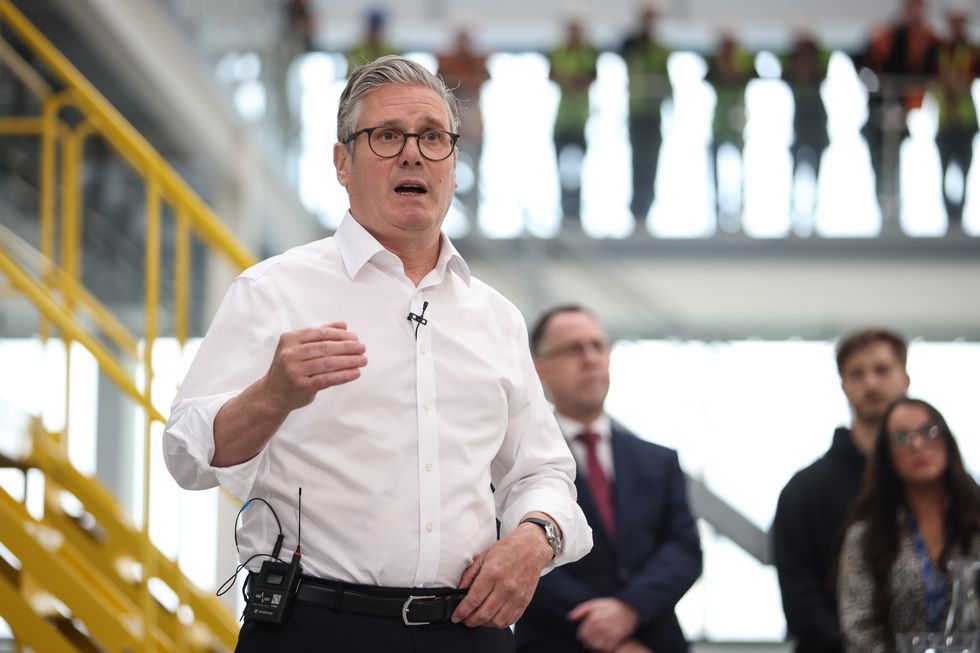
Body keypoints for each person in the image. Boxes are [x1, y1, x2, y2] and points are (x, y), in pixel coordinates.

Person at [163, 56, 592, 652]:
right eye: (387, 136)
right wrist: (271, 396)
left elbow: (543, 471)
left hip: (466, 633)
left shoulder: (496, 318)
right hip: (314, 628)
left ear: (454, 166)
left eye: (433, 137)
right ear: (343, 162)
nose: (413, 153)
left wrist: (535, 538)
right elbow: (187, 456)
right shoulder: (273, 292)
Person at [515, 306, 702, 653]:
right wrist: (601, 626)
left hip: (652, 638)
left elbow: (684, 550)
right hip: (558, 641)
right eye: (573, 349)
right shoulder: (515, 457)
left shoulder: (658, 460)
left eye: (597, 346)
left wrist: (629, 609)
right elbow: (514, 553)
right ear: (541, 369)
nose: (590, 359)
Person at [772, 328, 912, 653]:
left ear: (905, 378)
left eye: (882, 369)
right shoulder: (804, 491)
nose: (871, 384)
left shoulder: (937, 484)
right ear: (844, 386)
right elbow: (800, 600)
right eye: (857, 374)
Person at [837, 397, 980, 652]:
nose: (917, 444)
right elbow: (858, 631)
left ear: (947, 440)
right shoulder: (865, 536)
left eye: (929, 431)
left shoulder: (975, 523)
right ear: (886, 455)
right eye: (901, 437)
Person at [859, 0, 939, 224]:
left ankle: (896, 205)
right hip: (880, 107)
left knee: (895, 157)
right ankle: (883, 204)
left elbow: (930, 69)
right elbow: (868, 66)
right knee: (880, 156)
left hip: (903, 108)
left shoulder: (926, 39)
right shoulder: (887, 37)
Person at [619, 4, 672, 225]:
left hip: (653, 116)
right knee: (637, 163)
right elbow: (621, 49)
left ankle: (646, 210)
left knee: (650, 165)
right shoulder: (632, 46)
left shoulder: (660, 50)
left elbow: (667, 84)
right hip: (636, 115)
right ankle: (635, 212)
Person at [933, 5, 980, 233]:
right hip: (944, 120)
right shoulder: (939, 49)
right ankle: (949, 217)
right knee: (943, 170)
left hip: (965, 121)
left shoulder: (972, 50)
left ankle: (960, 215)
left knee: (964, 169)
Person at [549, 19, 599, 227]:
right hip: (562, 123)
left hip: (579, 123)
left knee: (578, 172)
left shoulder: (589, 53)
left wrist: (569, 78)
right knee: (562, 171)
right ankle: (565, 216)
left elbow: (586, 79)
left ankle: (576, 216)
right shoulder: (559, 51)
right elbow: (555, 76)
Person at [437, 27, 490, 221]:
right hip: (453, 131)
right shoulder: (447, 63)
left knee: (475, 174)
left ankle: (474, 218)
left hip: (474, 130)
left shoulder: (476, 63)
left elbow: (482, 79)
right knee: (447, 175)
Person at [705, 33, 755, 233]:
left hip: (736, 127)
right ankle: (717, 214)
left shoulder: (743, 66)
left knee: (740, 171)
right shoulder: (714, 66)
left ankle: (740, 212)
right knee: (716, 171)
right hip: (719, 127)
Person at [783, 33, 831, 225]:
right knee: (796, 170)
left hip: (817, 129)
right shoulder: (793, 76)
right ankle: (794, 213)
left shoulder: (818, 72)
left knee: (816, 171)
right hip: (799, 129)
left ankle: (814, 213)